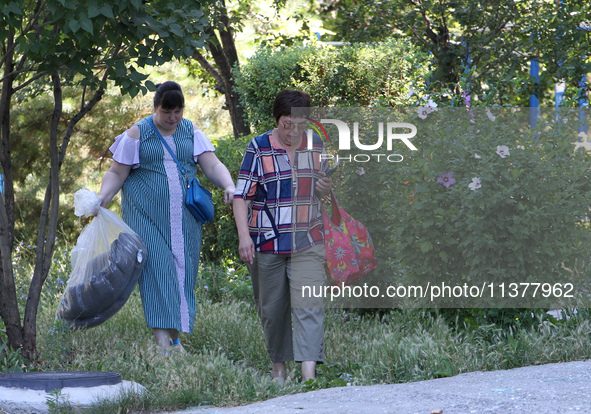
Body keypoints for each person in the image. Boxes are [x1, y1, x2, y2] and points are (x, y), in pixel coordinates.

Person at [98, 81, 235, 352]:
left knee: (183, 275)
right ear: (155, 108)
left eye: (178, 112)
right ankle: (163, 347)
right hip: (145, 218)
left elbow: (212, 164)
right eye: (166, 112)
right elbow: (116, 173)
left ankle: (174, 340)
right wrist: (101, 199)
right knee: (158, 272)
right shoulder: (138, 134)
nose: (172, 118)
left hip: (185, 220)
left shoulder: (191, 131)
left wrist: (229, 185)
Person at [233, 89, 332, 383]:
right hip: (266, 241)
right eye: (288, 124)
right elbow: (242, 196)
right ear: (277, 120)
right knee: (272, 310)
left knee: (309, 306)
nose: (294, 131)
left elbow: (322, 187)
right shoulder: (258, 147)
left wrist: (324, 189)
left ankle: (309, 376)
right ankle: (279, 370)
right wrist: (244, 237)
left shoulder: (316, 144)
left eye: (301, 124)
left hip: (308, 239)